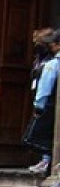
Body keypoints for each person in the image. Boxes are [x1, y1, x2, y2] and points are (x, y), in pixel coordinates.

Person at [26, 30, 59, 175]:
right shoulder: (41, 61)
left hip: (47, 104)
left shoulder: (52, 64)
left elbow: (45, 87)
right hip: (50, 104)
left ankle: (49, 159)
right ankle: (47, 160)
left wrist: (38, 105)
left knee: (33, 137)